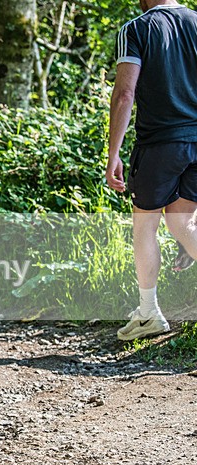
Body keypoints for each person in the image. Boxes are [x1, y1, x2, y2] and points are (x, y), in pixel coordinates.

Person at [106, 0, 197, 341]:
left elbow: (125, 92)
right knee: (182, 223)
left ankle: (148, 313)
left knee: (145, 224)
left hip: (160, 143)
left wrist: (113, 153)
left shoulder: (137, 28)